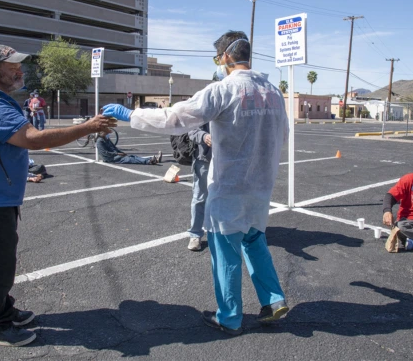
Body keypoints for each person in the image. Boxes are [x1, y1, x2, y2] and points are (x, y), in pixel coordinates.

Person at [103, 31, 290, 336]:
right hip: (260, 185)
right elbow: (282, 136)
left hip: (229, 185)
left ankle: (229, 317)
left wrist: (131, 114)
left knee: (225, 252)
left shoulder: (222, 90)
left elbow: (175, 118)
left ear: (225, 57)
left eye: (219, 58)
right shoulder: (273, 91)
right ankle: (273, 299)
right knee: (255, 241)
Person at [0, 44, 115, 347]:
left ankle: (4, 308)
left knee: (1, 258)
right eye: (12, 66)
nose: (19, 70)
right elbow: (32, 139)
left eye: (19, 65)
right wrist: (87, 127)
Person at [187, 123, 211, 251]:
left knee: (228, 196)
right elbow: (191, 129)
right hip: (204, 159)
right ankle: (195, 234)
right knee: (200, 197)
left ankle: (228, 231)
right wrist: (204, 136)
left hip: (227, 159)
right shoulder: (202, 103)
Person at [96, 131, 162, 165]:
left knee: (133, 156)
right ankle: (149, 161)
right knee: (130, 159)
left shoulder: (106, 138)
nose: (108, 133)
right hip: (110, 158)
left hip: (116, 155)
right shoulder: (99, 141)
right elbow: (104, 153)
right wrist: (117, 154)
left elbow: (114, 147)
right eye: (107, 131)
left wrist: (121, 152)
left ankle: (152, 159)